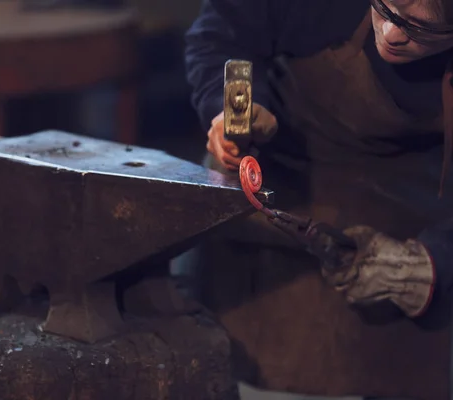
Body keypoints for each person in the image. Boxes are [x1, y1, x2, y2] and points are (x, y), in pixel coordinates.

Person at [182, 0, 453, 398]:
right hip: (271, 182)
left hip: (403, 216)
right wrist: (228, 108)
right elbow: (220, 31)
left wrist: (436, 264)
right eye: (387, 9)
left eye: (421, 28)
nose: (393, 35)